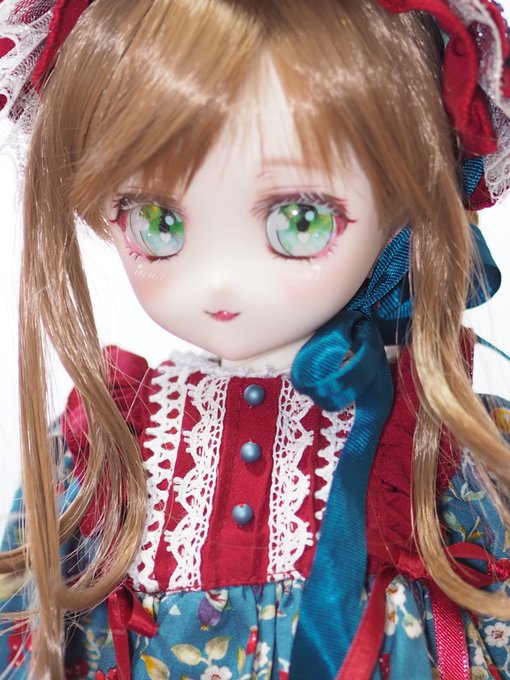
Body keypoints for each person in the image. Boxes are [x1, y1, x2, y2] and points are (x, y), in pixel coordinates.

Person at [0, 0, 510, 677]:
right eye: (157, 221)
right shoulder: (101, 448)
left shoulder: (438, 446)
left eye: (299, 220)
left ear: (404, 197)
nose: (218, 281)